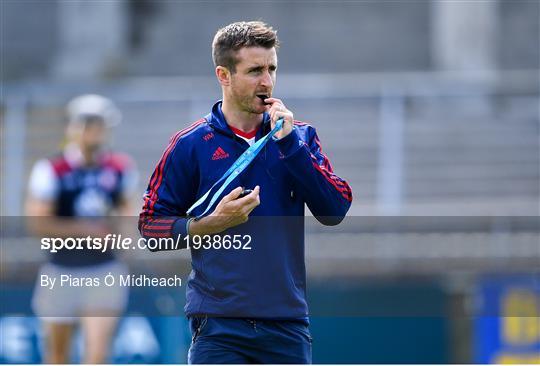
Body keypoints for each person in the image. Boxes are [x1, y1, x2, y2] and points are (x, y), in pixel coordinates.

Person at [139, 21, 352, 364]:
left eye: (271, 69)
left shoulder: (300, 137)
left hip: (286, 323)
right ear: (223, 75)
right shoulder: (189, 145)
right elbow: (151, 227)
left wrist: (291, 146)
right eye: (255, 70)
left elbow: (335, 210)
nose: (267, 81)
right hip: (218, 327)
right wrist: (211, 223)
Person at [26, 94, 138, 363]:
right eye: (87, 123)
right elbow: (39, 222)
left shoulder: (119, 167)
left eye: (99, 124)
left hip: (103, 269)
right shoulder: (52, 168)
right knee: (57, 356)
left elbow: (127, 214)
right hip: (61, 268)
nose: (93, 131)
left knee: (97, 355)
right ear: (72, 127)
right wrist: (87, 231)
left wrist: (123, 237)